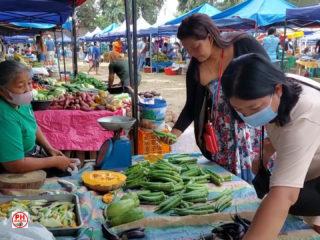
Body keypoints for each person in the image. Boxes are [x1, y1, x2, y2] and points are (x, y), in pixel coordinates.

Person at [221, 53, 320, 239]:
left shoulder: (305, 116)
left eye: (254, 108)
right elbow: (279, 124)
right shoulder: (280, 87)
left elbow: (284, 195)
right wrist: (266, 151)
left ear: (278, 90)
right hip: (311, 159)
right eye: (240, 110)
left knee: (291, 201)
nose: (248, 116)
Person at [162, 14, 270, 182]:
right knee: (225, 183)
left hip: (250, 130)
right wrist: (173, 134)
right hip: (220, 136)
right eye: (187, 49)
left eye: (196, 47)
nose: (192, 54)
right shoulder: (195, 69)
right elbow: (191, 106)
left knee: (257, 181)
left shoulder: (244, 44)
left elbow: (269, 79)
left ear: (210, 37)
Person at [0, 60, 77, 173]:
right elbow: (14, 164)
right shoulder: (4, 117)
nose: (28, 90)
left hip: (32, 153)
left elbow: (33, 126)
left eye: (30, 83)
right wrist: (54, 161)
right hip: (15, 168)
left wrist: (49, 148)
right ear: (2, 91)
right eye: (21, 86)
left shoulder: (22, 102)